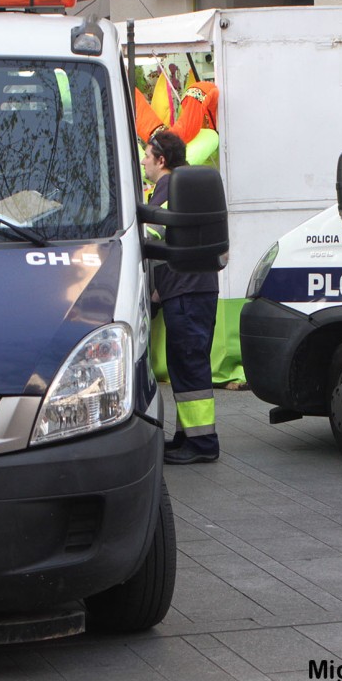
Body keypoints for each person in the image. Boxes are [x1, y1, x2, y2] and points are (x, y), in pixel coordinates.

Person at [143, 130, 220, 465]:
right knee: (185, 366)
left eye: (147, 155)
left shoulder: (172, 189)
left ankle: (203, 444)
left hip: (187, 294)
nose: (144, 161)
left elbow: (153, 234)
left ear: (161, 160)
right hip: (190, 290)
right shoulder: (184, 186)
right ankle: (188, 435)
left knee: (190, 367)